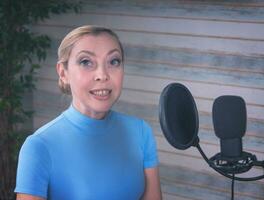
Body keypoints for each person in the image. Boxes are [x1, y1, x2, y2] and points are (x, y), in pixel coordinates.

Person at [15, 25, 162, 200]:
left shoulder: (141, 132)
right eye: (86, 62)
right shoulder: (38, 147)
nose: (102, 75)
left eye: (114, 61)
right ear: (63, 73)